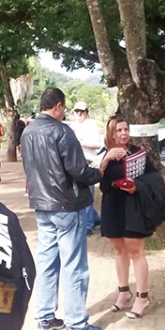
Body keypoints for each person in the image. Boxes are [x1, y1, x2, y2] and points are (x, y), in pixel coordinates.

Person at [21, 87, 105, 330]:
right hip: (67, 205)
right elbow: (78, 171)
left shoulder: (28, 132)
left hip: (42, 205)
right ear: (57, 106)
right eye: (64, 107)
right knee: (74, 265)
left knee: (47, 262)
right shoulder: (62, 131)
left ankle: (44, 318)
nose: (65, 111)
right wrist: (99, 171)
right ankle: (76, 323)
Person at [98, 115, 159, 319]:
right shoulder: (106, 155)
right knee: (118, 250)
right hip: (112, 206)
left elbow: (153, 178)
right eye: (118, 130)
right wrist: (106, 160)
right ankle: (123, 293)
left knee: (135, 251)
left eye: (125, 129)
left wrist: (137, 186)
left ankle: (142, 297)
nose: (123, 133)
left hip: (133, 205)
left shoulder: (139, 153)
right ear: (111, 133)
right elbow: (101, 184)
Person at [69, 101, 102, 236]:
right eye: (77, 111)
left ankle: (88, 225)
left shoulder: (91, 126)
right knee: (78, 196)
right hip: (75, 165)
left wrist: (80, 143)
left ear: (86, 112)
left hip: (88, 164)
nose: (79, 114)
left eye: (81, 111)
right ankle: (95, 219)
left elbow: (97, 144)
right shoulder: (72, 126)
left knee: (87, 196)